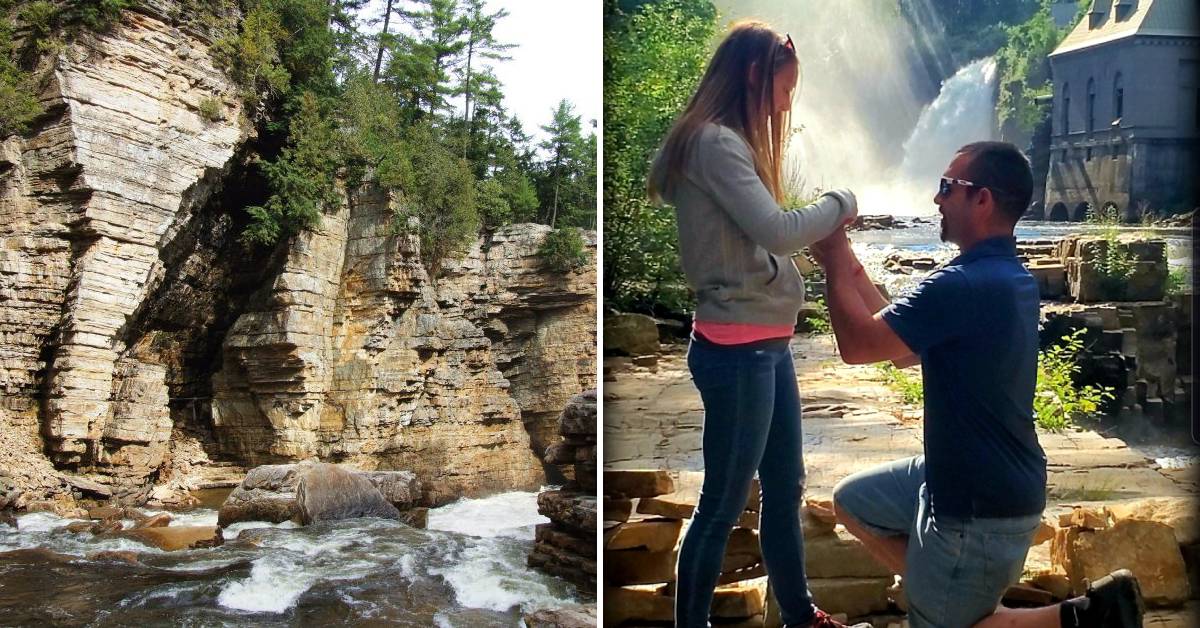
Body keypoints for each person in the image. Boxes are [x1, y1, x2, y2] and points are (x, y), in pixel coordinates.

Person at [810, 141, 1145, 628]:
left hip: (975, 510)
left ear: (982, 200)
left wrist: (835, 259)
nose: (936, 199)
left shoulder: (963, 285)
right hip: (985, 483)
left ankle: (983, 602)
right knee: (852, 502)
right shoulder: (1004, 276)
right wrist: (852, 269)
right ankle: (1056, 610)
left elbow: (858, 346)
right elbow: (906, 349)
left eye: (948, 187)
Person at [647, 20, 864, 628]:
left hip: (765, 345)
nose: (787, 105)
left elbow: (759, 242)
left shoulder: (721, 143)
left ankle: (799, 615)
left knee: (785, 487)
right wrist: (840, 203)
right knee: (720, 502)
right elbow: (778, 231)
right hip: (739, 350)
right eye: (783, 90)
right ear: (753, 75)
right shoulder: (714, 144)